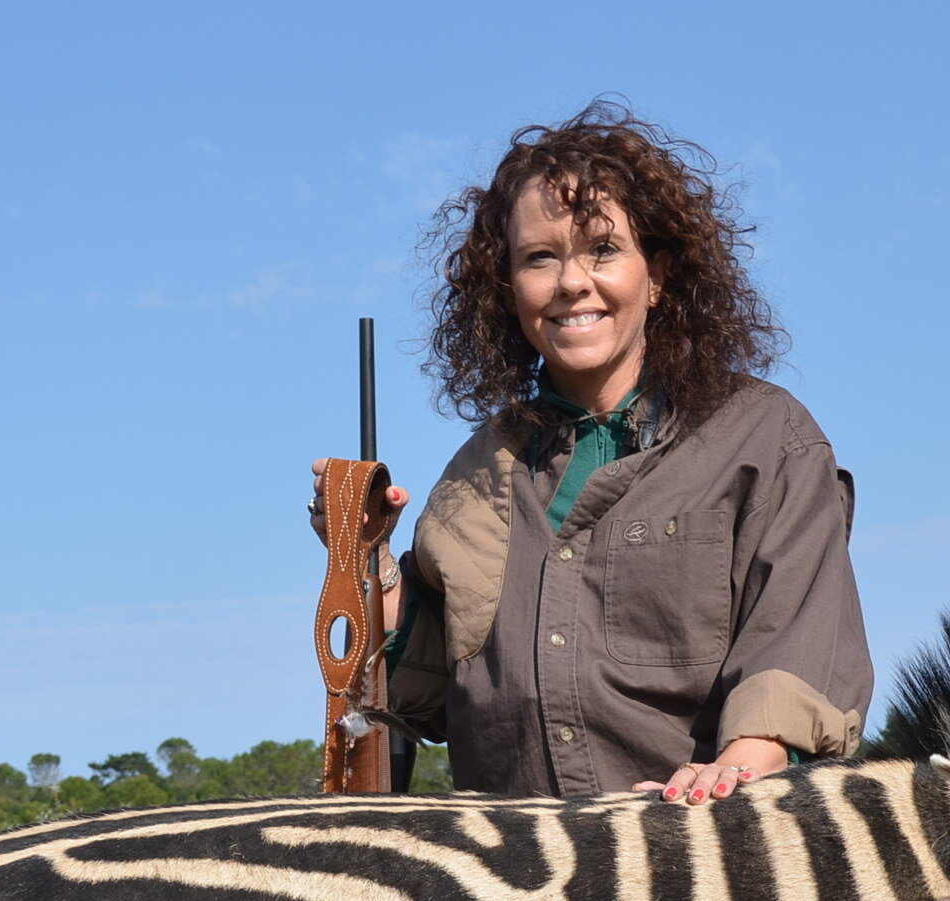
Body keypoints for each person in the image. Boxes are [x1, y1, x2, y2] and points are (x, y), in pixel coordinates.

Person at [311, 102, 872, 803]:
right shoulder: (473, 476)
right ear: (509, 291)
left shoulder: (766, 438)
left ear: (657, 275)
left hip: (702, 859)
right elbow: (425, 696)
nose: (573, 282)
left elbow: (798, 639)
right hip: (513, 883)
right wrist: (371, 564)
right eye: (540, 258)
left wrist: (742, 762)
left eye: (602, 249)